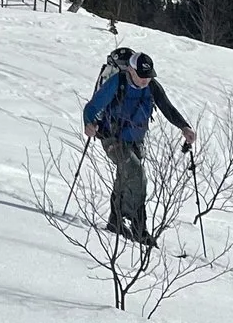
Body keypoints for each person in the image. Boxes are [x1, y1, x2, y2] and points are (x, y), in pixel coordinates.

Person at [81, 49, 195, 244]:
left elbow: (168, 108)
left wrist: (184, 127)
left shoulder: (152, 87)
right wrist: (88, 124)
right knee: (136, 173)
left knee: (125, 177)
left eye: (148, 76)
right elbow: (92, 107)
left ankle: (115, 221)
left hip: (135, 140)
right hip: (112, 138)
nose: (145, 81)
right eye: (141, 76)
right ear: (131, 71)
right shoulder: (118, 82)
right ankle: (138, 226)